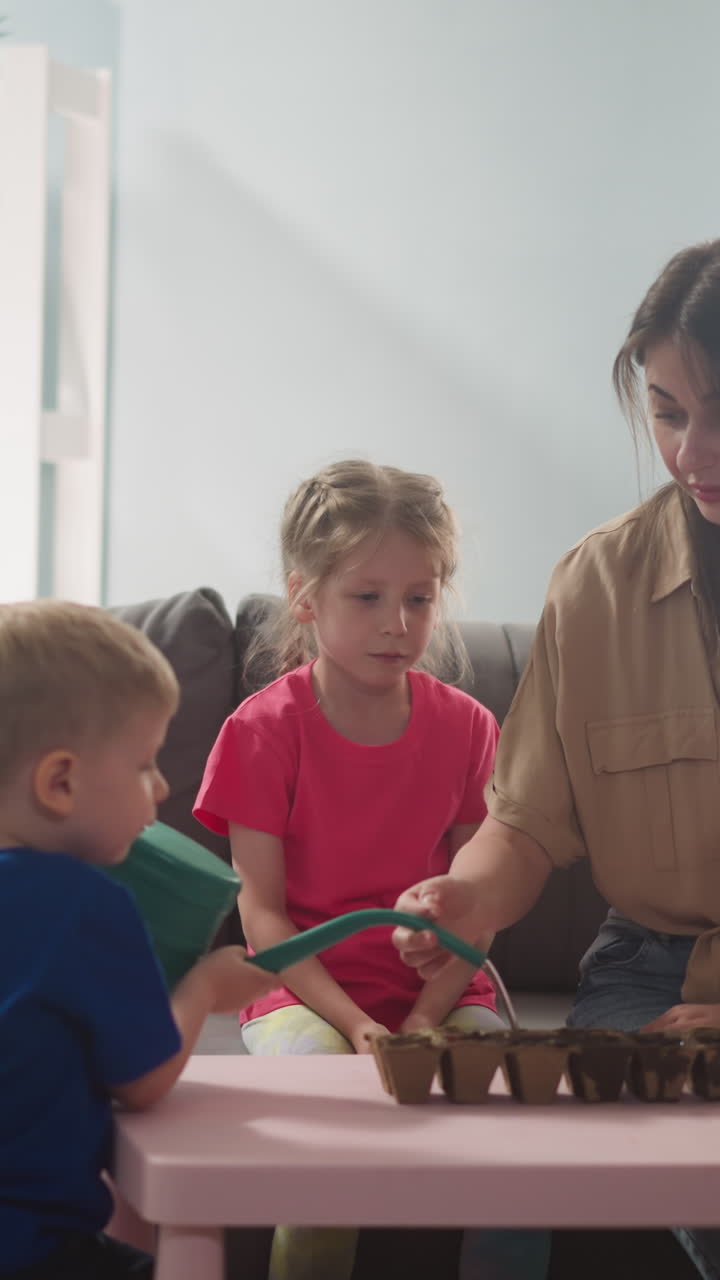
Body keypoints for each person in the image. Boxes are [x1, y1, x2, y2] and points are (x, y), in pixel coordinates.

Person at [391, 238, 720, 1280]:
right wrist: (465, 898)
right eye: (669, 411)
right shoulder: (597, 584)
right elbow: (526, 819)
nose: (692, 451)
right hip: (650, 970)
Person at [193, 458, 507, 1280]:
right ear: (306, 597)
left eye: (419, 597)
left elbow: (480, 905)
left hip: (445, 994)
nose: (397, 623)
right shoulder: (263, 731)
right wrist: (361, 1026)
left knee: (515, 1139)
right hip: (301, 995)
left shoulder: (470, 729)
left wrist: (424, 1017)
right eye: (367, 597)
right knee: (326, 1129)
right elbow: (262, 919)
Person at [0, 601, 277, 1280]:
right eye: (145, 765)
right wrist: (207, 986)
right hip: (33, 1248)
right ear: (59, 782)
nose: (159, 789)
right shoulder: (86, 905)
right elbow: (145, 1083)